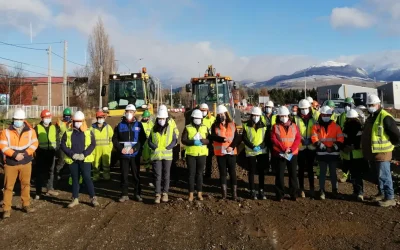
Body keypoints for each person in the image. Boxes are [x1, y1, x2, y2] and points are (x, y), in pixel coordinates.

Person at [361, 94, 400, 207]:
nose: (370, 107)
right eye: (368, 105)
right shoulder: (372, 116)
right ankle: (381, 193)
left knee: (384, 175)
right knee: (378, 175)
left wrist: (393, 145)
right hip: (373, 153)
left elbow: (395, 134)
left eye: (372, 105)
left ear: (378, 104)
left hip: (383, 153)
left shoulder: (385, 117)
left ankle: (390, 197)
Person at [0, 108, 38, 218]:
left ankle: (26, 204)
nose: (18, 121)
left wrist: (26, 153)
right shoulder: (6, 132)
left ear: (24, 119)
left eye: (20, 119)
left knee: (25, 184)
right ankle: (6, 209)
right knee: (8, 187)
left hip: (26, 162)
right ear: (13, 119)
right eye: (16, 119)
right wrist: (14, 154)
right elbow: (2, 146)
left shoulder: (31, 131)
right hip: (11, 163)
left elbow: (35, 144)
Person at [60, 111, 99, 208]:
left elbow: (92, 144)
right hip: (73, 159)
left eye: (79, 121)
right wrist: (72, 154)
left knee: (87, 178)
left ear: (83, 121)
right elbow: (63, 145)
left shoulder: (89, 132)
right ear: (73, 121)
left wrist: (84, 154)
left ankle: (93, 197)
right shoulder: (68, 132)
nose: (78, 123)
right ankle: (75, 198)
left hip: (84, 159)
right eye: (76, 121)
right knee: (75, 179)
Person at [113, 104, 146, 202]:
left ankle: (137, 193)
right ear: (125, 112)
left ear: (134, 113)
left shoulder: (139, 125)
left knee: (136, 175)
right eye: (128, 111)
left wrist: (135, 149)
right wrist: (120, 148)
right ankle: (124, 194)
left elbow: (142, 139)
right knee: (124, 175)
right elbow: (115, 139)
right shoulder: (119, 125)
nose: (129, 113)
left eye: (131, 112)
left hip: (135, 155)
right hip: (123, 155)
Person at [311, 106, 344, 200]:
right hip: (322, 154)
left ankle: (335, 190)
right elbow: (314, 138)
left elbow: (340, 139)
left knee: (333, 173)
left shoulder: (336, 126)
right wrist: (324, 147)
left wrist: (333, 148)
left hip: (333, 154)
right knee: (322, 173)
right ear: (321, 114)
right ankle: (321, 190)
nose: (326, 116)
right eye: (325, 114)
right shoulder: (316, 126)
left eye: (328, 115)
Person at [209, 105, 241, 200]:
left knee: (232, 173)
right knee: (223, 173)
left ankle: (234, 194)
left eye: (222, 114)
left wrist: (232, 146)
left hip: (231, 152)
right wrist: (222, 139)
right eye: (219, 114)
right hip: (220, 153)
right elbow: (212, 137)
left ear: (226, 114)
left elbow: (237, 138)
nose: (220, 116)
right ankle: (224, 194)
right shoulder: (214, 125)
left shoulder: (232, 124)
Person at [271, 106, 301, 201]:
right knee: (280, 174)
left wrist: (291, 149)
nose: (283, 117)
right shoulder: (275, 127)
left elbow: (298, 138)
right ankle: (280, 194)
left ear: (288, 115)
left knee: (293, 174)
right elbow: (273, 139)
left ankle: (294, 194)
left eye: (285, 115)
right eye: (281, 116)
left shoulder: (294, 126)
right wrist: (283, 148)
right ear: (279, 116)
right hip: (280, 153)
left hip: (292, 154)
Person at [149, 108, 177, 203]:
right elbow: (149, 140)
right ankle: (157, 194)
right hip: (156, 155)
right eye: (160, 118)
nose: (161, 120)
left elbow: (174, 139)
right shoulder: (153, 128)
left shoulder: (170, 128)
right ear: (157, 119)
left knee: (166, 175)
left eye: (163, 118)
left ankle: (165, 193)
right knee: (157, 176)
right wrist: (153, 147)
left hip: (167, 156)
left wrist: (170, 147)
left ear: (166, 119)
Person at [181, 109, 209, 201]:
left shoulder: (205, 127)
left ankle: (199, 194)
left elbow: (209, 140)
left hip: (202, 154)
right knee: (191, 174)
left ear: (201, 119)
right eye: (196, 118)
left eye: (199, 118)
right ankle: (191, 194)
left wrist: (203, 141)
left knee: (200, 174)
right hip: (191, 154)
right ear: (192, 118)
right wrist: (193, 142)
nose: (197, 119)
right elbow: (183, 140)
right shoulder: (188, 127)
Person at [243, 106, 268, 200]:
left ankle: (261, 190)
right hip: (251, 152)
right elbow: (244, 138)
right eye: (254, 115)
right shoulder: (246, 125)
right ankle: (252, 190)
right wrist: (253, 146)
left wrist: (261, 146)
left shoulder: (264, 126)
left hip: (262, 151)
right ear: (251, 115)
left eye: (257, 115)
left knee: (261, 172)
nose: (256, 117)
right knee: (252, 172)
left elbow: (266, 138)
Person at [342, 109, 367, 202]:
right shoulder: (356, 128)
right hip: (352, 155)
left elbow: (361, 142)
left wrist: (350, 147)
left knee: (357, 174)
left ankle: (360, 192)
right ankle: (356, 192)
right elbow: (343, 140)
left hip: (355, 155)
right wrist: (345, 147)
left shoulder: (356, 129)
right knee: (354, 174)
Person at [34, 109, 59, 200]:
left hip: (51, 152)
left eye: (49, 117)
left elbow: (57, 139)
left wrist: (56, 149)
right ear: (42, 118)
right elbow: (34, 140)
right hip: (41, 152)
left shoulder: (54, 127)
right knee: (40, 173)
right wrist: (36, 151)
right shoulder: (37, 128)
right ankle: (38, 192)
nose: (48, 119)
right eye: (46, 117)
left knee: (51, 171)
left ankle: (49, 189)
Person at [294, 99, 316, 198]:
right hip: (301, 147)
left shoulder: (313, 119)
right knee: (301, 169)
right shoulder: (295, 119)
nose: (304, 110)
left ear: (309, 108)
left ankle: (312, 188)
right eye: (302, 109)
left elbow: (316, 131)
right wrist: (301, 139)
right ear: (299, 109)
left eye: (306, 108)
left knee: (311, 169)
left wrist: (312, 140)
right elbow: (294, 131)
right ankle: (301, 188)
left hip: (311, 147)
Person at [91, 110, 114, 181]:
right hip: (96, 150)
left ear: (104, 118)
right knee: (95, 164)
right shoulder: (92, 128)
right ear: (97, 118)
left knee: (106, 164)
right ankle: (96, 176)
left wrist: (110, 148)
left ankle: (106, 176)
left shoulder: (108, 127)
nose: (100, 119)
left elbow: (111, 138)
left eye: (102, 117)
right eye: (99, 117)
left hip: (106, 149)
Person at [337, 97, 355, 183]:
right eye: (345, 105)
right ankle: (345, 175)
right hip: (344, 141)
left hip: (354, 141)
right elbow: (338, 128)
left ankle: (353, 175)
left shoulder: (357, 114)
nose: (346, 107)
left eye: (348, 105)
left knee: (354, 160)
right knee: (345, 160)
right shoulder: (341, 116)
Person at [55, 108, 72, 180]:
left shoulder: (72, 123)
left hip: (70, 145)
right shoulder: (59, 123)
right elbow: (55, 134)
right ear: (63, 116)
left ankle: (68, 174)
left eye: (68, 115)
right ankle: (57, 174)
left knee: (70, 160)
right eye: (66, 115)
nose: (67, 117)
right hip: (61, 145)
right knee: (61, 161)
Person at [199, 103, 216, 179]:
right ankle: (200, 174)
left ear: (207, 110)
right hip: (200, 142)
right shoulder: (197, 118)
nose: (203, 111)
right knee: (200, 159)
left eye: (204, 110)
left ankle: (208, 175)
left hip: (209, 141)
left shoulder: (212, 119)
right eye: (202, 110)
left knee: (208, 159)